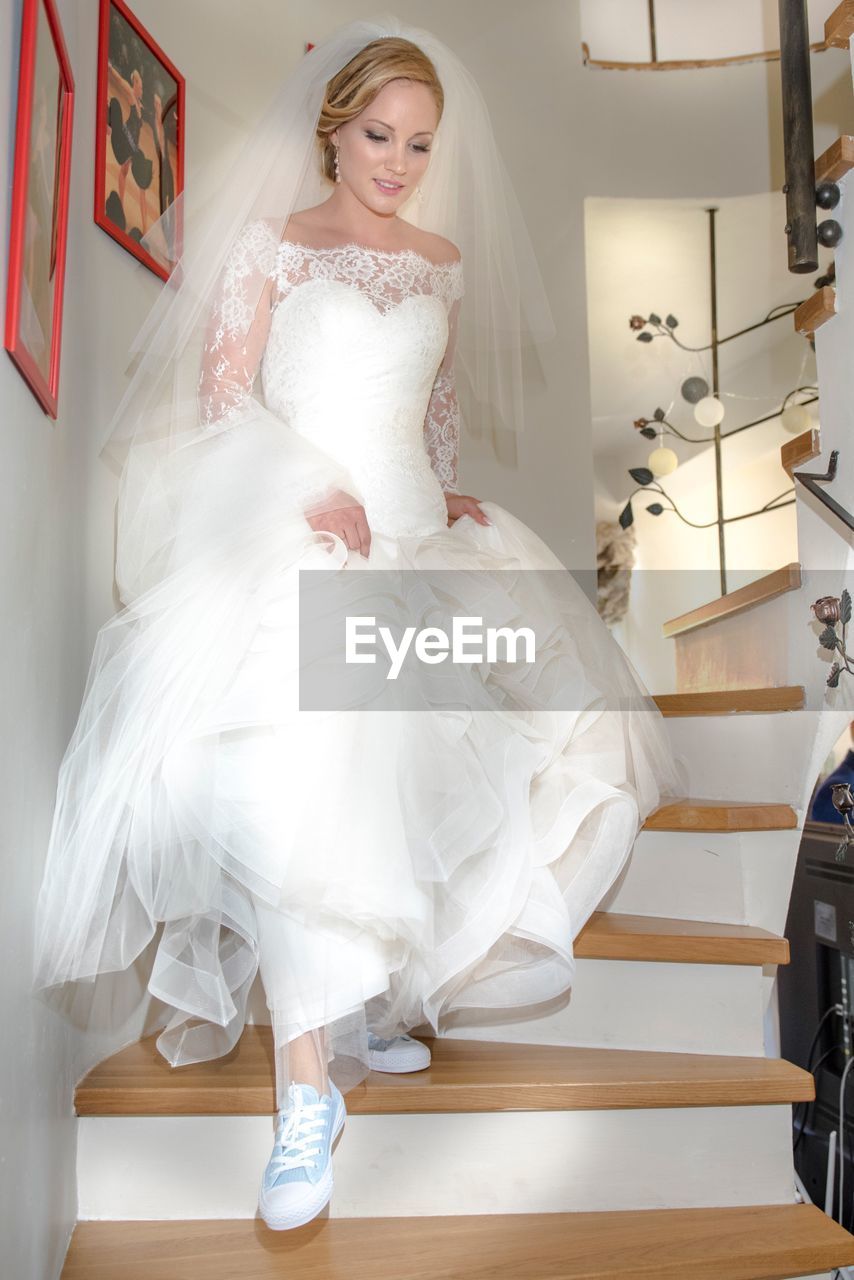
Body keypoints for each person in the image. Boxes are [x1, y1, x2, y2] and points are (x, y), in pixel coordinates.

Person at [32, 15, 687, 1233]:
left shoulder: (437, 258)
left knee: (446, 769)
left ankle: (357, 1008)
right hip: (299, 539)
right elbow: (226, 406)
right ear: (333, 127)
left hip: (414, 544)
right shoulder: (269, 250)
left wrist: (433, 492)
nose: (395, 160)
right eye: (378, 134)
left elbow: (427, 416)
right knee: (301, 768)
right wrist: (301, 488)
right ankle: (303, 1097)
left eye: (418, 144)